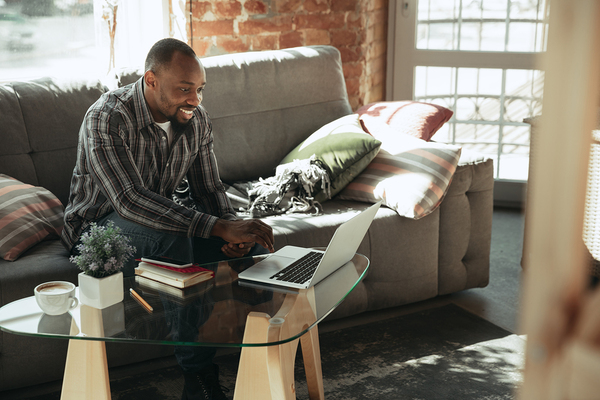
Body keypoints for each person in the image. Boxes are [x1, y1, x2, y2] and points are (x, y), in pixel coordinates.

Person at [61, 37, 275, 400]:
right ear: (151, 80)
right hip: (97, 228)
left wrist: (231, 225)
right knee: (177, 240)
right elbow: (129, 200)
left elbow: (209, 190)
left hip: (158, 219)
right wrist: (217, 226)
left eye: (200, 90)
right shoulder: (107, 118)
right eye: (185, 89)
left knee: (248, 237)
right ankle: (199, 376)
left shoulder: (196, 120)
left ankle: (259, 351)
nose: (195, 99)